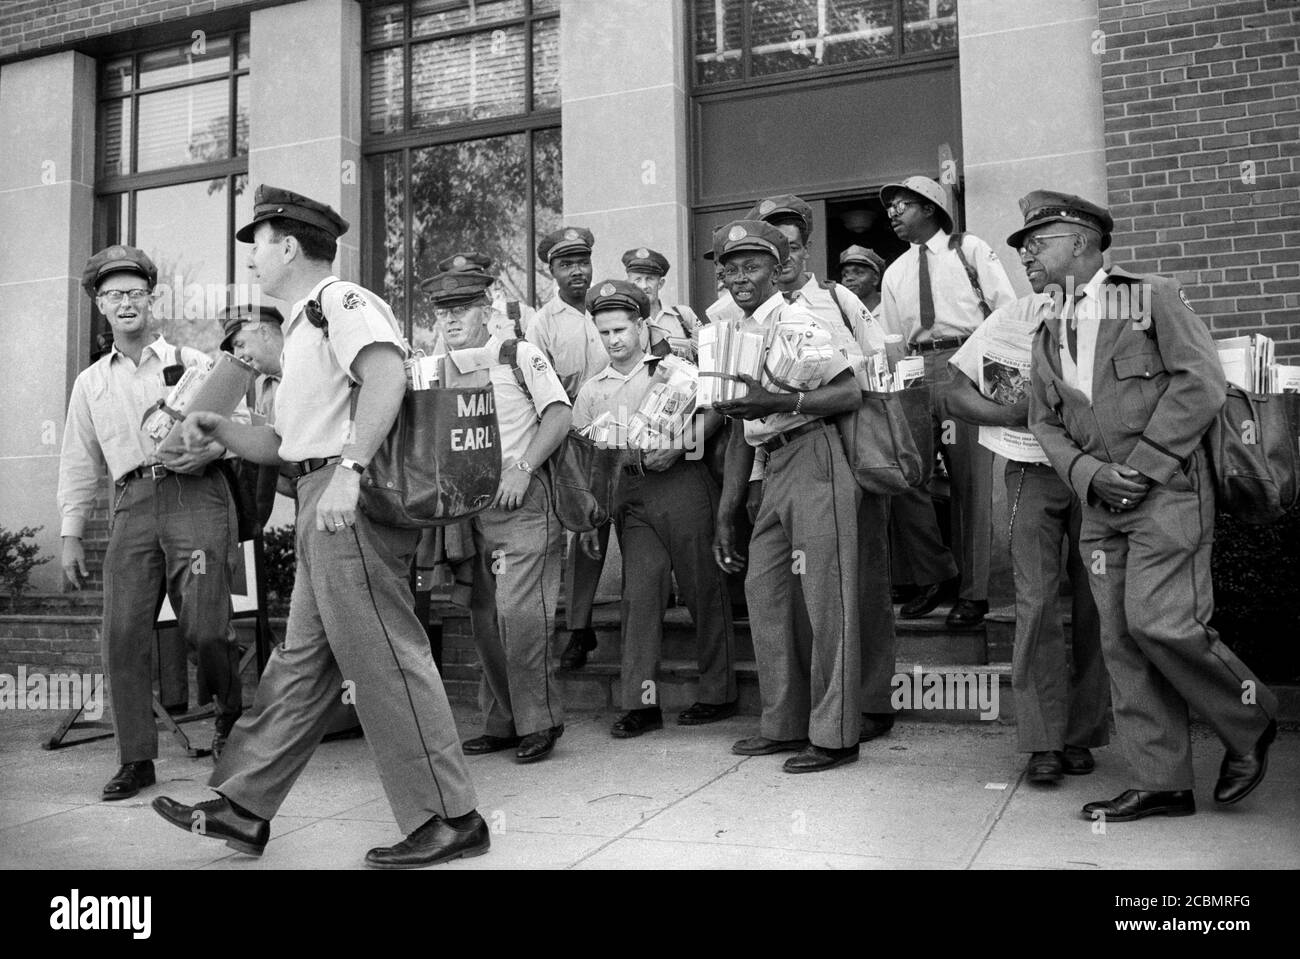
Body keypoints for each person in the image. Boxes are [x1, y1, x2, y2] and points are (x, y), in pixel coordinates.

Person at [151, 185, 488, 868]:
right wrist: (221, 427)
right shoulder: (303, 325)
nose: (250, 259)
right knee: (301, 666)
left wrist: (351, 470)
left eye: (258, 244)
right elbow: (287, 444)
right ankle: (245, 807)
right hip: (318, 494)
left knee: (387, 659)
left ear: (290, 246)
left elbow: (388, 376)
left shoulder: (341, 301)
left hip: (345, 503)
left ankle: (451, 816)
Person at [1020, 189, 1278, 821]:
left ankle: (1251, 716)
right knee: (1121, 641)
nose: (1026, 253)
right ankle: (1161, 780)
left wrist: (1141, 467)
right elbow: (1044, 423)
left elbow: (1202, 381)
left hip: (1167, 495)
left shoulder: (1150, 296)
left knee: (1160, 622)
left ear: (1079, 241)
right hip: (1101, 503)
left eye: (1037, 241)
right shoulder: (1046, 323)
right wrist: (1089, 475)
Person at [57, 244, 245, 797]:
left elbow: (244, 428)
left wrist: (210, 452)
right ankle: (136, 757)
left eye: (135, 292)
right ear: (100, 306)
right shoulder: (91, 382)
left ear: (151, 298)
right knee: (121, 634)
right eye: (113, 294)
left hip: (196, 497)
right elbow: (77, 460)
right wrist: (70, 534)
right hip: (133, 502)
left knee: (208, 627)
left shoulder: (193, 364)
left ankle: (230, 715)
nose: (126, 303)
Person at [712, 220, 864, 774]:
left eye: (751, 265)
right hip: (771, 463)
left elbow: (849, 391)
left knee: (828, 599)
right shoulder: (736, 331)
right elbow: (738, 426)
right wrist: (727, 512)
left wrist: (780, 400)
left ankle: (836, 734)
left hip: (814, 453)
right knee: (765, 589)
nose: (738, 276)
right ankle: (782, 724)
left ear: (777, 270)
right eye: (729, 267)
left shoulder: (802, 319)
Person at [946, 272, 1109, 785]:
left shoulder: (1120, 312)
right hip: (1031, 471)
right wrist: (1011, 411)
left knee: (1096, 600)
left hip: (1097, 472)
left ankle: (1081, 734)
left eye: (1040, 244)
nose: (1030, 258)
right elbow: (955, 395)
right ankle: (1043, 741)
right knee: (1034, 599)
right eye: (1025, 249)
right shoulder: (1012, 316)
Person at [747, 194, 898, 744]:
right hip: (781, 453)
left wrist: (873, 454)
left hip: (847, 446)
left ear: (805, 245)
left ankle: (870, 699)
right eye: (770, 244)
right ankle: (801, 716)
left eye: (789, 242)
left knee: (859, 580)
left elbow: (880, 375)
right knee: (788, 590)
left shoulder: (836, 300)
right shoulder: (743, 313)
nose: (781, 253)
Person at [424, 256, 572, 763]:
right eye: (442, 310)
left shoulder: (517, 354)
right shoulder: (439, 367)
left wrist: (524, 468)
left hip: (522, 503)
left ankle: (541, 721)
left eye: (461, 308)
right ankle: (505, 720)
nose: (450, 319)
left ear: (486, 309)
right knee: (484, 616)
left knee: (520, 614)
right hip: (468, 512)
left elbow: (559, 414)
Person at [573, 279, 736, 737]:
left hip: (682, 482)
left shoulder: (673, 369)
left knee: (703, 586)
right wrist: (592, 514)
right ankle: (641, 703)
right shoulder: (591, 390)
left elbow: (716, 410)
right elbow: (588, 459)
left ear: (642, 325)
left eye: (621, 329)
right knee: (639, 596)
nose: (614, 340)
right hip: (631, 494)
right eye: (604, 333)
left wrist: (683, 445)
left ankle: (717, 693)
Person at [879, 175, 1017, 627]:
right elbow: (893, 340)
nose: (893, 213)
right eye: (891, 207)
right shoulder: (896, 271)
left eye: (903, 204)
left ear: (931, 207)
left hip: (968, 364)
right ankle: (935, 573)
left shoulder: (970, 249)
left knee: (970, 484)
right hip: (916, 373)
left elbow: (1006, 310)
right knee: (906, 478)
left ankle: (974, 595)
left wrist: (995, 377)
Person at [524, 226, 608, 671]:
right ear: (551, 270)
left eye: (582, 261)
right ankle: (578, 627)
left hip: (627, 433)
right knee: (582, 530)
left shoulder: (610, 306)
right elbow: (538, 393)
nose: (577, 270)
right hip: (577, 439)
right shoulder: (543, 324)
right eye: (565, 264)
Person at [622, 246, 699, 359]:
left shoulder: (684, 315)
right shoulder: (623, 320)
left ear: (661, 283)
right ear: (629, 284)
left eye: (650, 279)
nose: (644, 286)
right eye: (638, 279)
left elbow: (705, 353)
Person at [838, 245, 885, 315]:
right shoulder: (838, 315)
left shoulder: (891, 309)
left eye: (859, 273)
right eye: (845, 274)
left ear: (876, 278)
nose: (849, 278)